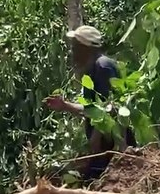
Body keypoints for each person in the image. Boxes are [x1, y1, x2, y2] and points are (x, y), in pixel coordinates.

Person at [44, 24, 135, 179]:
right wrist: (65, 105)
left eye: (75, 47)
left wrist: (95, 140)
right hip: (104, 149)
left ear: (86, 48)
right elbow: (92, 109)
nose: (72, 52)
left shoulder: (103, 67)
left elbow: (108, 108)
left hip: (112, 149)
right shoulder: (93, 70)